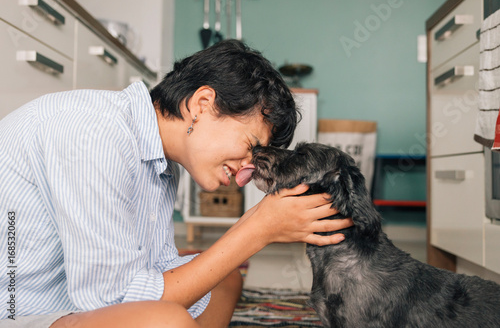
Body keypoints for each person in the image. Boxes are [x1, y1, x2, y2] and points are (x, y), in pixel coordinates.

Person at [0, 40, 353, 328]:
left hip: (66, 294)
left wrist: (258, 221)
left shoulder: (160, 157)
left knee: (225, 278)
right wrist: (258, 231)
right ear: (203, 104)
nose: (247, 171)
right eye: (250, 147)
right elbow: (113, 302)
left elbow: (152, 268)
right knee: (164, 319)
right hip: (19, 309)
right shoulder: (94, 133)